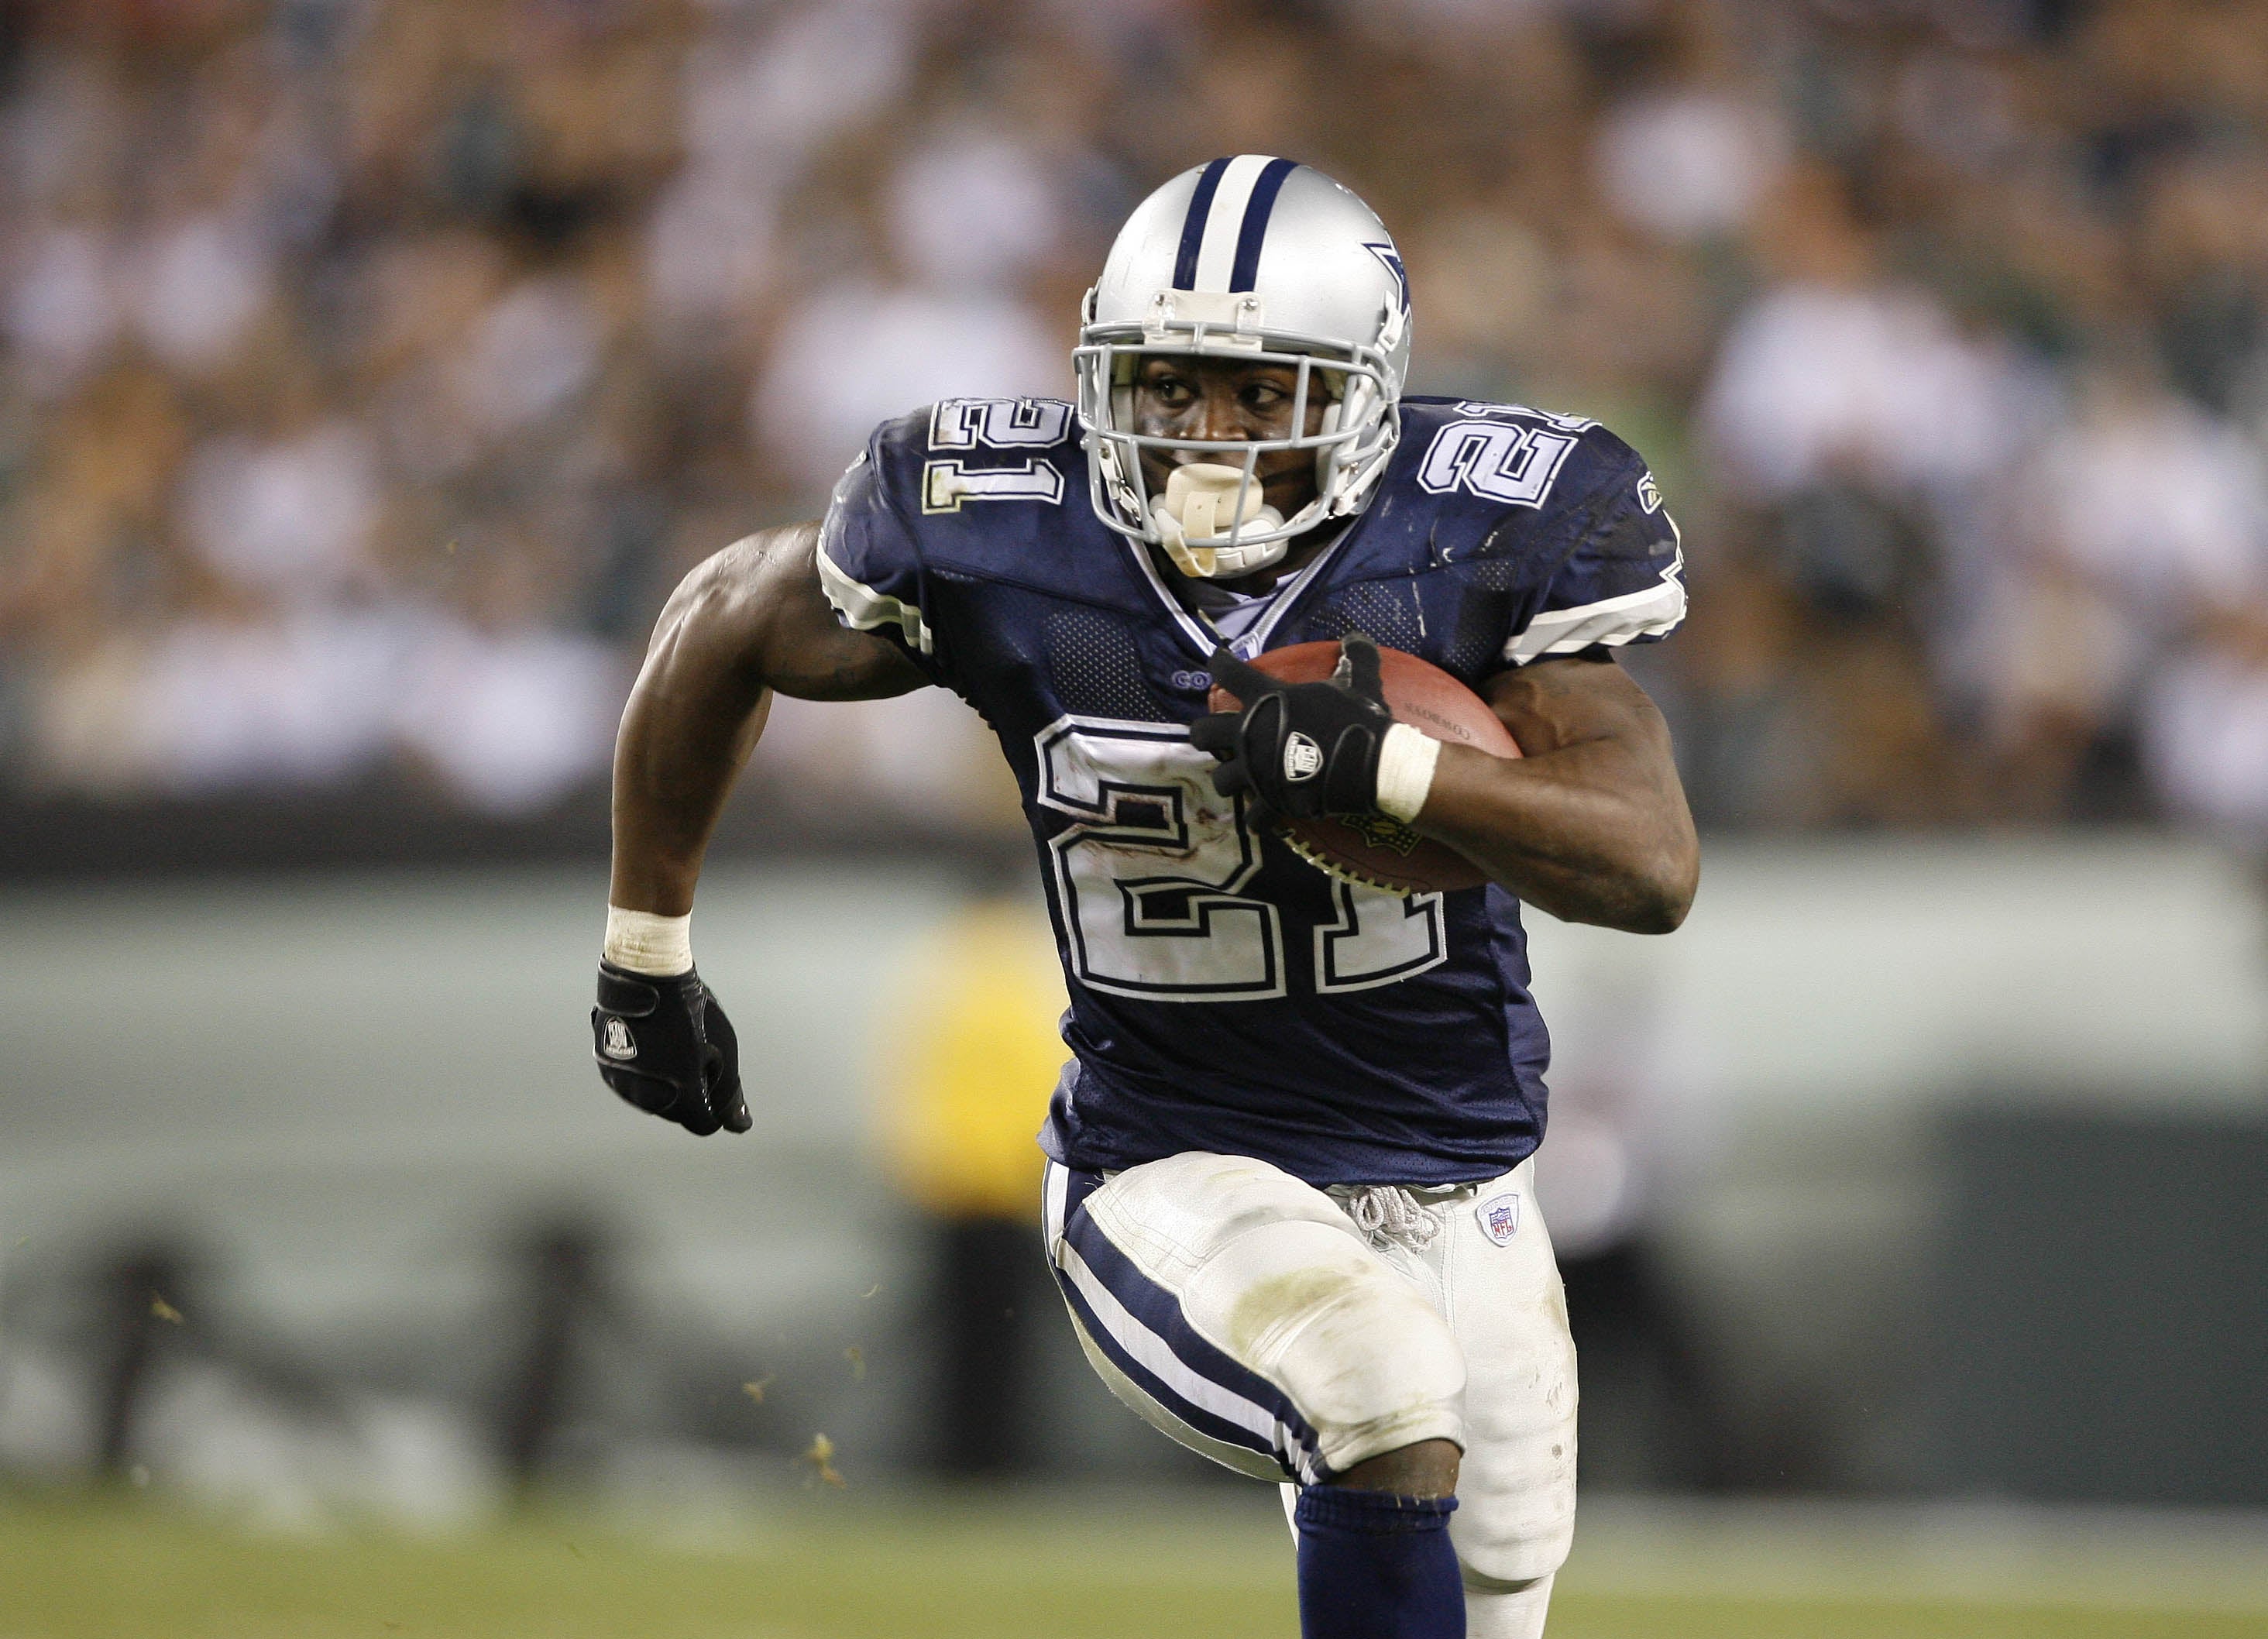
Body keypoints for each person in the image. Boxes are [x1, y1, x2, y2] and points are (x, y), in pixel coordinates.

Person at [591, 156, 1696, 1639]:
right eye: (1170, 387)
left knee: (1489, 1585)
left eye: (1262, 394)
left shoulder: (1475, 537)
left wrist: (1397, 774)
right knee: (1376, 1391)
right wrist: (642, 950)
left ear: (1366, 395)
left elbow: (1649, 863)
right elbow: (721, 612)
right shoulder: (1017, 533)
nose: (1208, 436)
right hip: (1165, 1163)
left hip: (1463, 1182)